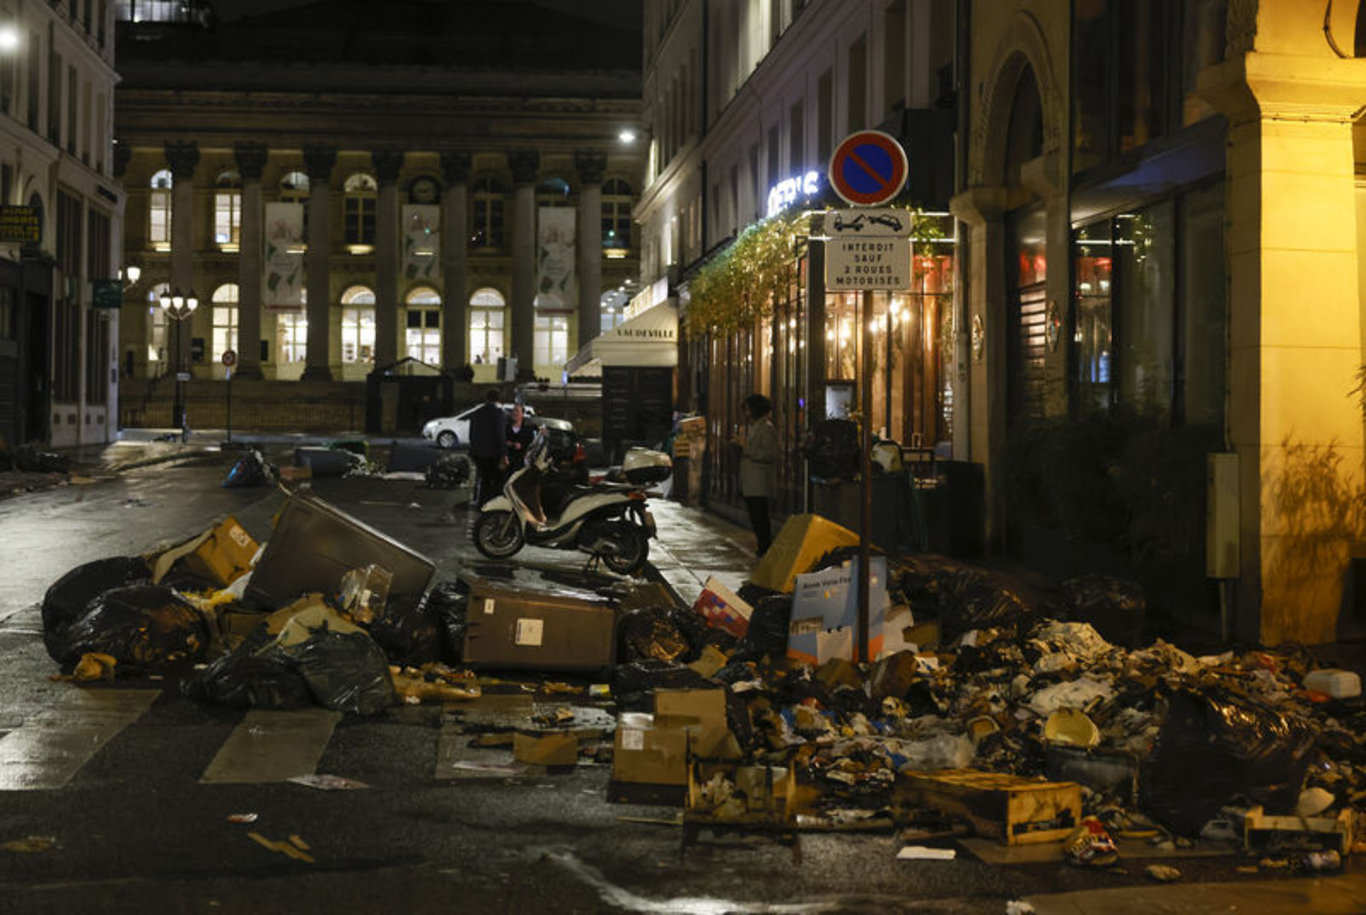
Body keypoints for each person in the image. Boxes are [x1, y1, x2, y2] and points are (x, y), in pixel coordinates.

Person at [738, 393, 778, 556]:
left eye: (747, 409)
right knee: (755, 516)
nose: (745, 413)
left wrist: (745, 447)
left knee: (760, 517)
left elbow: (769, 454)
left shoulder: (767, 428)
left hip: (759, 482)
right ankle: (762, 546)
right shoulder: (755, 427)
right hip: (751, 480)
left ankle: (765, 547)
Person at [468, 387, 508, 508]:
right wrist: (503, 453)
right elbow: (499, 435)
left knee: (484, 478)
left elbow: (471, 433)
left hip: (477, 452)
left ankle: (482, 503)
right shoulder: (498, 413)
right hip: (492, 453)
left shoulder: (477, 412)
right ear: (498, 398)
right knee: (497, 480)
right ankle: (492, 505)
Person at [505, 403, 535, 472]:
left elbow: (531, 446)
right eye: (513, 411)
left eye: (517, 411)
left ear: (522, 414)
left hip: (520, 465)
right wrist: (511, 444)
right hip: (506, 463)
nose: (514, 413)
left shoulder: (528, 430)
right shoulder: (505, 428)